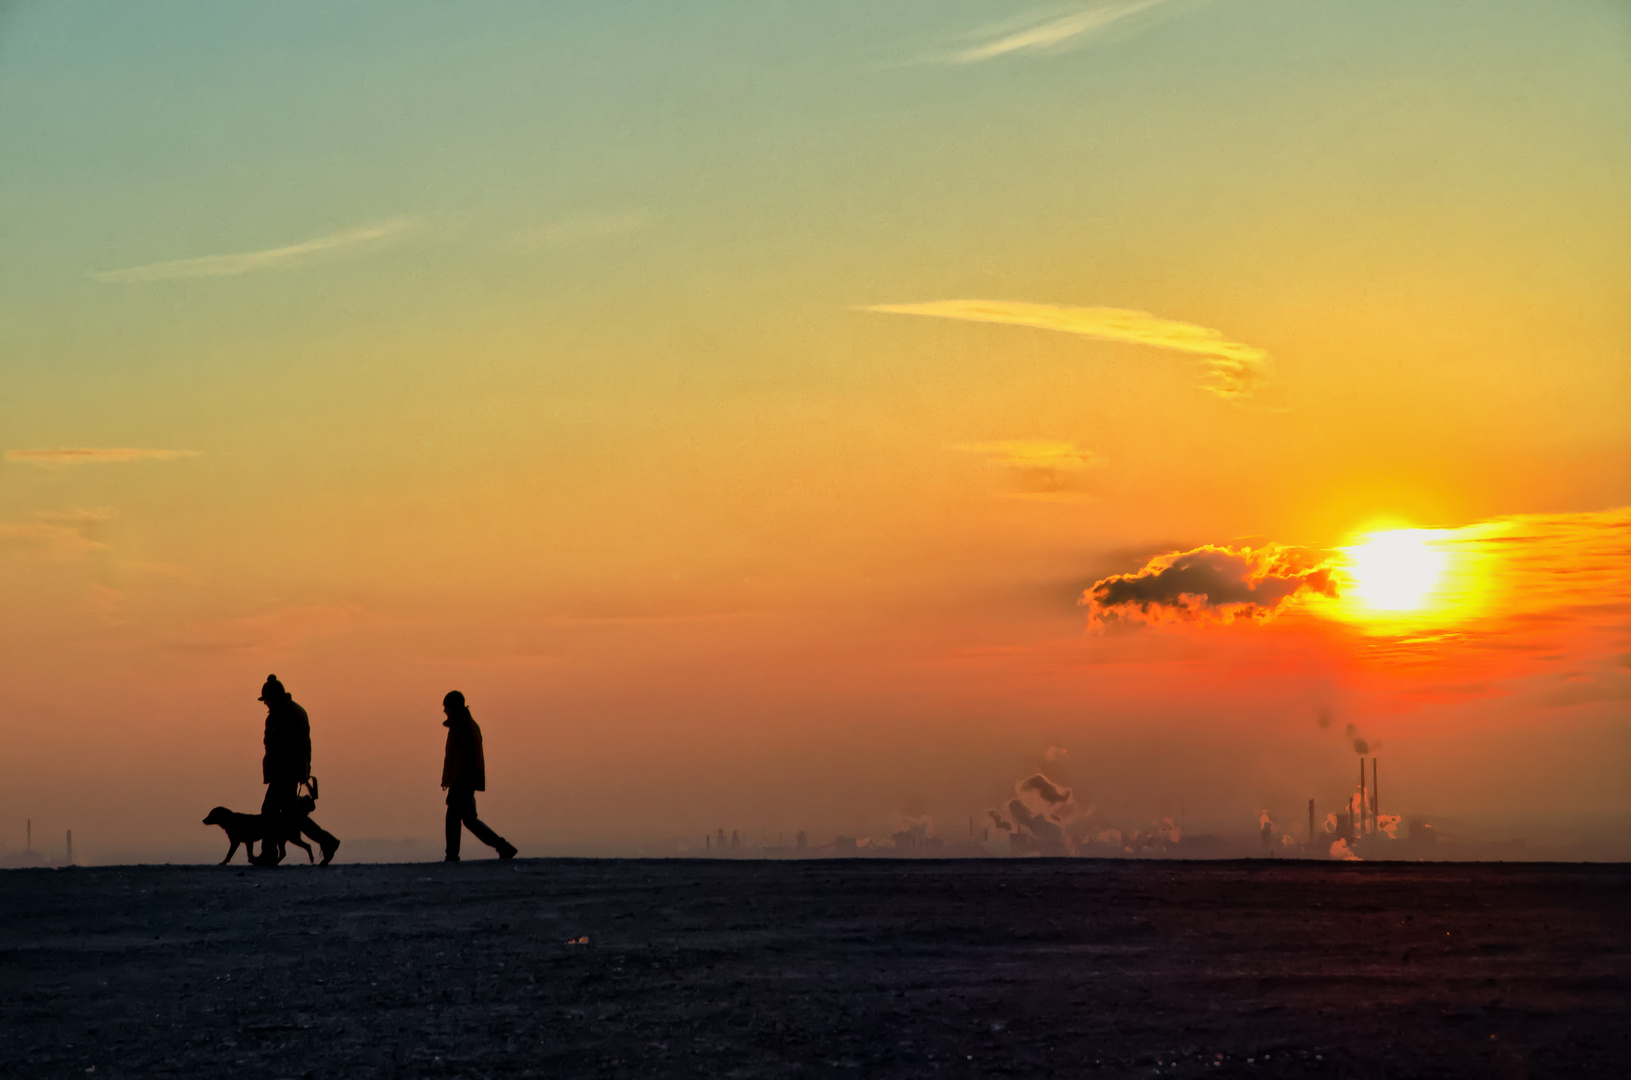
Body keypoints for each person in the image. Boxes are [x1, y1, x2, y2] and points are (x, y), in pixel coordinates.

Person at [255, 674, 340, 866]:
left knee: (269, 810)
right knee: (293, 816)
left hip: (284, 771)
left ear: (273, 698)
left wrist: (292, 770)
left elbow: (285, 746)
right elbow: (304, 745)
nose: (266, 704)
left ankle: (269, 854)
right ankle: (328, 841)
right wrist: (304, 769)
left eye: (266, 700)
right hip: (291, 770)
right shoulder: (294, 711)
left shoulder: (283, 714)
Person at [441, 690, 517, 862]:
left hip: (463, 780)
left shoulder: (463, 727)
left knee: (454, 817)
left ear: (454, 707)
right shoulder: (464, 725)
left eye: (446, 707)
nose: (444, 711)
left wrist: (455, 782)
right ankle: (503, 847)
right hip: (465, 779)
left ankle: (452, 855)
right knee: (469, 820)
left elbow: (461, 758)